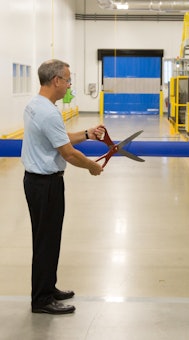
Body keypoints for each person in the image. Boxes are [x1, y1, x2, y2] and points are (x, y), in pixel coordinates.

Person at [21, 59, 104, 314]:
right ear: (56, 80)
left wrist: (87, 134)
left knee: (48, 238)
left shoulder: (37, 105)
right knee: (46, 240)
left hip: (38, 182)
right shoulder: (48, 111)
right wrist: (92, 166)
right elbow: (68, 153)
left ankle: (48, 286)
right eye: (68, 80)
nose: (69, 85)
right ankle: (42, 300)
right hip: (45, 184)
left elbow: (59, 137)